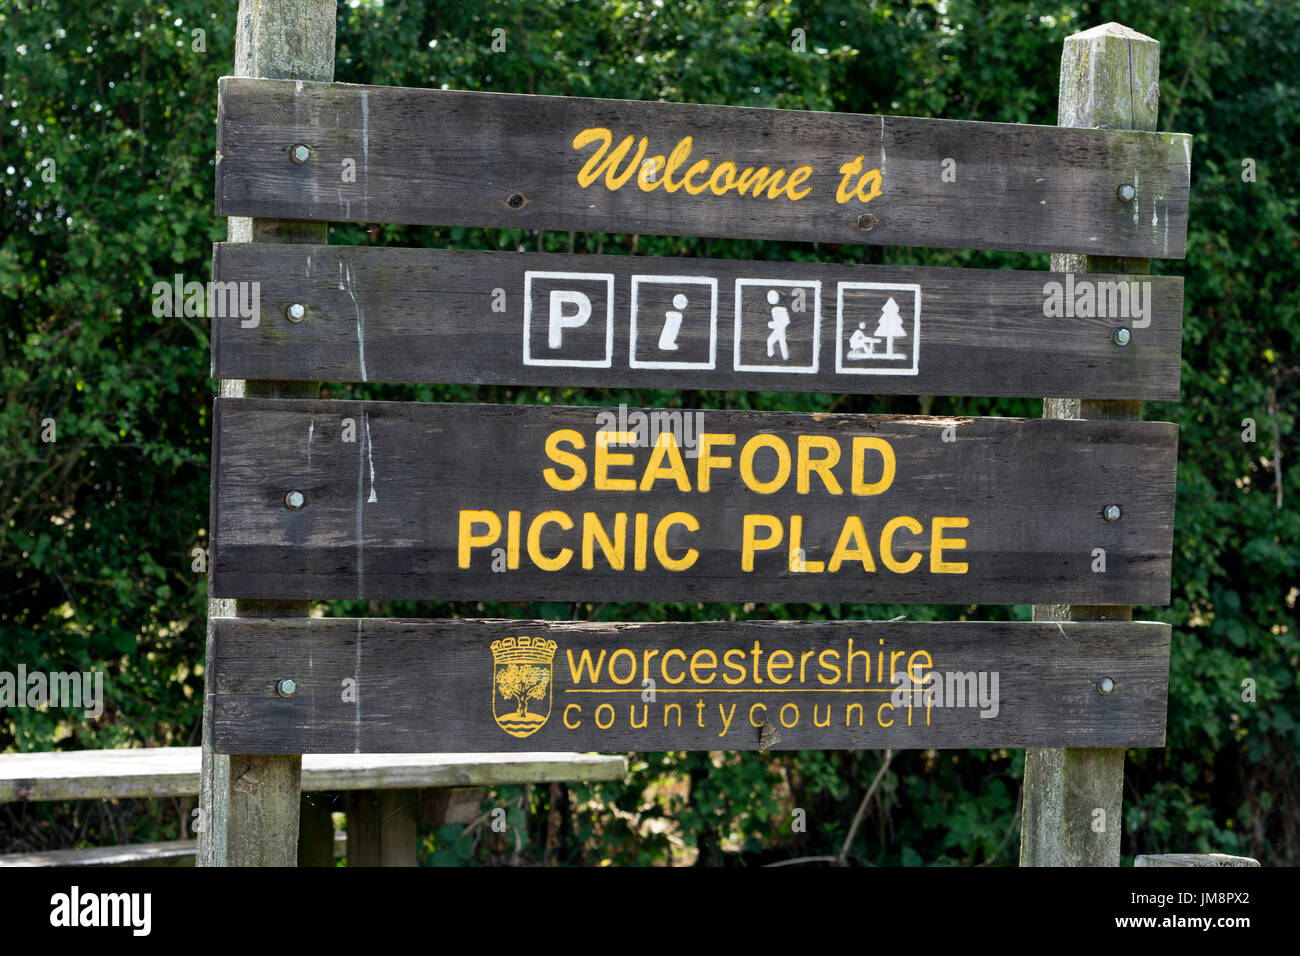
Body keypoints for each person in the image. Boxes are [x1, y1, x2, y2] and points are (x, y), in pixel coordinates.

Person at [766, 289, 790, 360]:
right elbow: (776, 322)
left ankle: (785, 357)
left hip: (781, 330)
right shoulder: (773, 310)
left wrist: (774, 325)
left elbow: (786, 321)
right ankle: (770, 355)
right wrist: (772, 325)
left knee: (782, 342)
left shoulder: (783, 310)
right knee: (770, 340)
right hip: (777, 330)